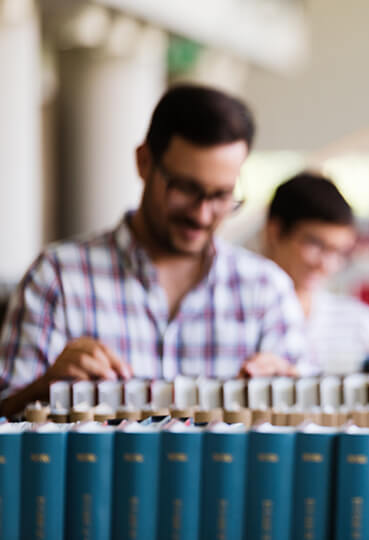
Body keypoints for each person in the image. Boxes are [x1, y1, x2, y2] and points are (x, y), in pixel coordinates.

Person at [0, 85, 305, 417]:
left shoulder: (267, 290)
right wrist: (43, 388)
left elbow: (311, 427)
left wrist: (292, 398)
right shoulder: (57, 278)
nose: (201, 214)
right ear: (144, 162)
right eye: (186, 188)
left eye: (220, 195)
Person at [264, 172, 369, 375]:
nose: (326, 265)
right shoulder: (238, 319)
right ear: (275, 231)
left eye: (339, 251)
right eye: (315, 244)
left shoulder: (360, 324)